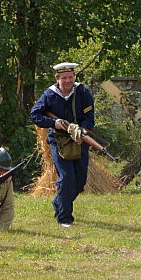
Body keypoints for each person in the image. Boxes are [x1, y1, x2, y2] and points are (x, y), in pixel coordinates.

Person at [29, 62, 95, 227]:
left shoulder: (83, 92)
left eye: (70, 77)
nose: (68, 81)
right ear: (57, 78)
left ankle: (59, 202)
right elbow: (35, 115)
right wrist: (54, 123)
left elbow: (89, 117)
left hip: (79, 139)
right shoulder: (49, 95)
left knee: (79, 181)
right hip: (58, 140)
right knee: (66, 179)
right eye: (64, 78)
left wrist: (83, 130)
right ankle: (65, 219)